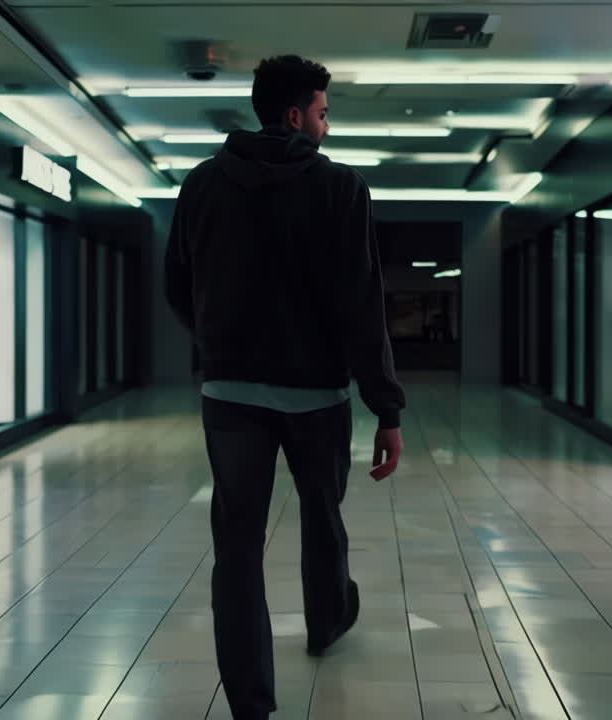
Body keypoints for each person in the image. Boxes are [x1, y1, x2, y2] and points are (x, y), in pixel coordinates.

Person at [164, 54, 406, 720]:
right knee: (322, 517)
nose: (328, 126)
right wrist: (386, 406)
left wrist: (218, 345)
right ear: (296, 115)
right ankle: (327, 618)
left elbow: (177, 285)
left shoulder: (202, 185)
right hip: (317, 398)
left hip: (230, 397)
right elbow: (363, 305)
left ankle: (250, 703)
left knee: (236, 549)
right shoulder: (341, 190)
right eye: (325, 113)